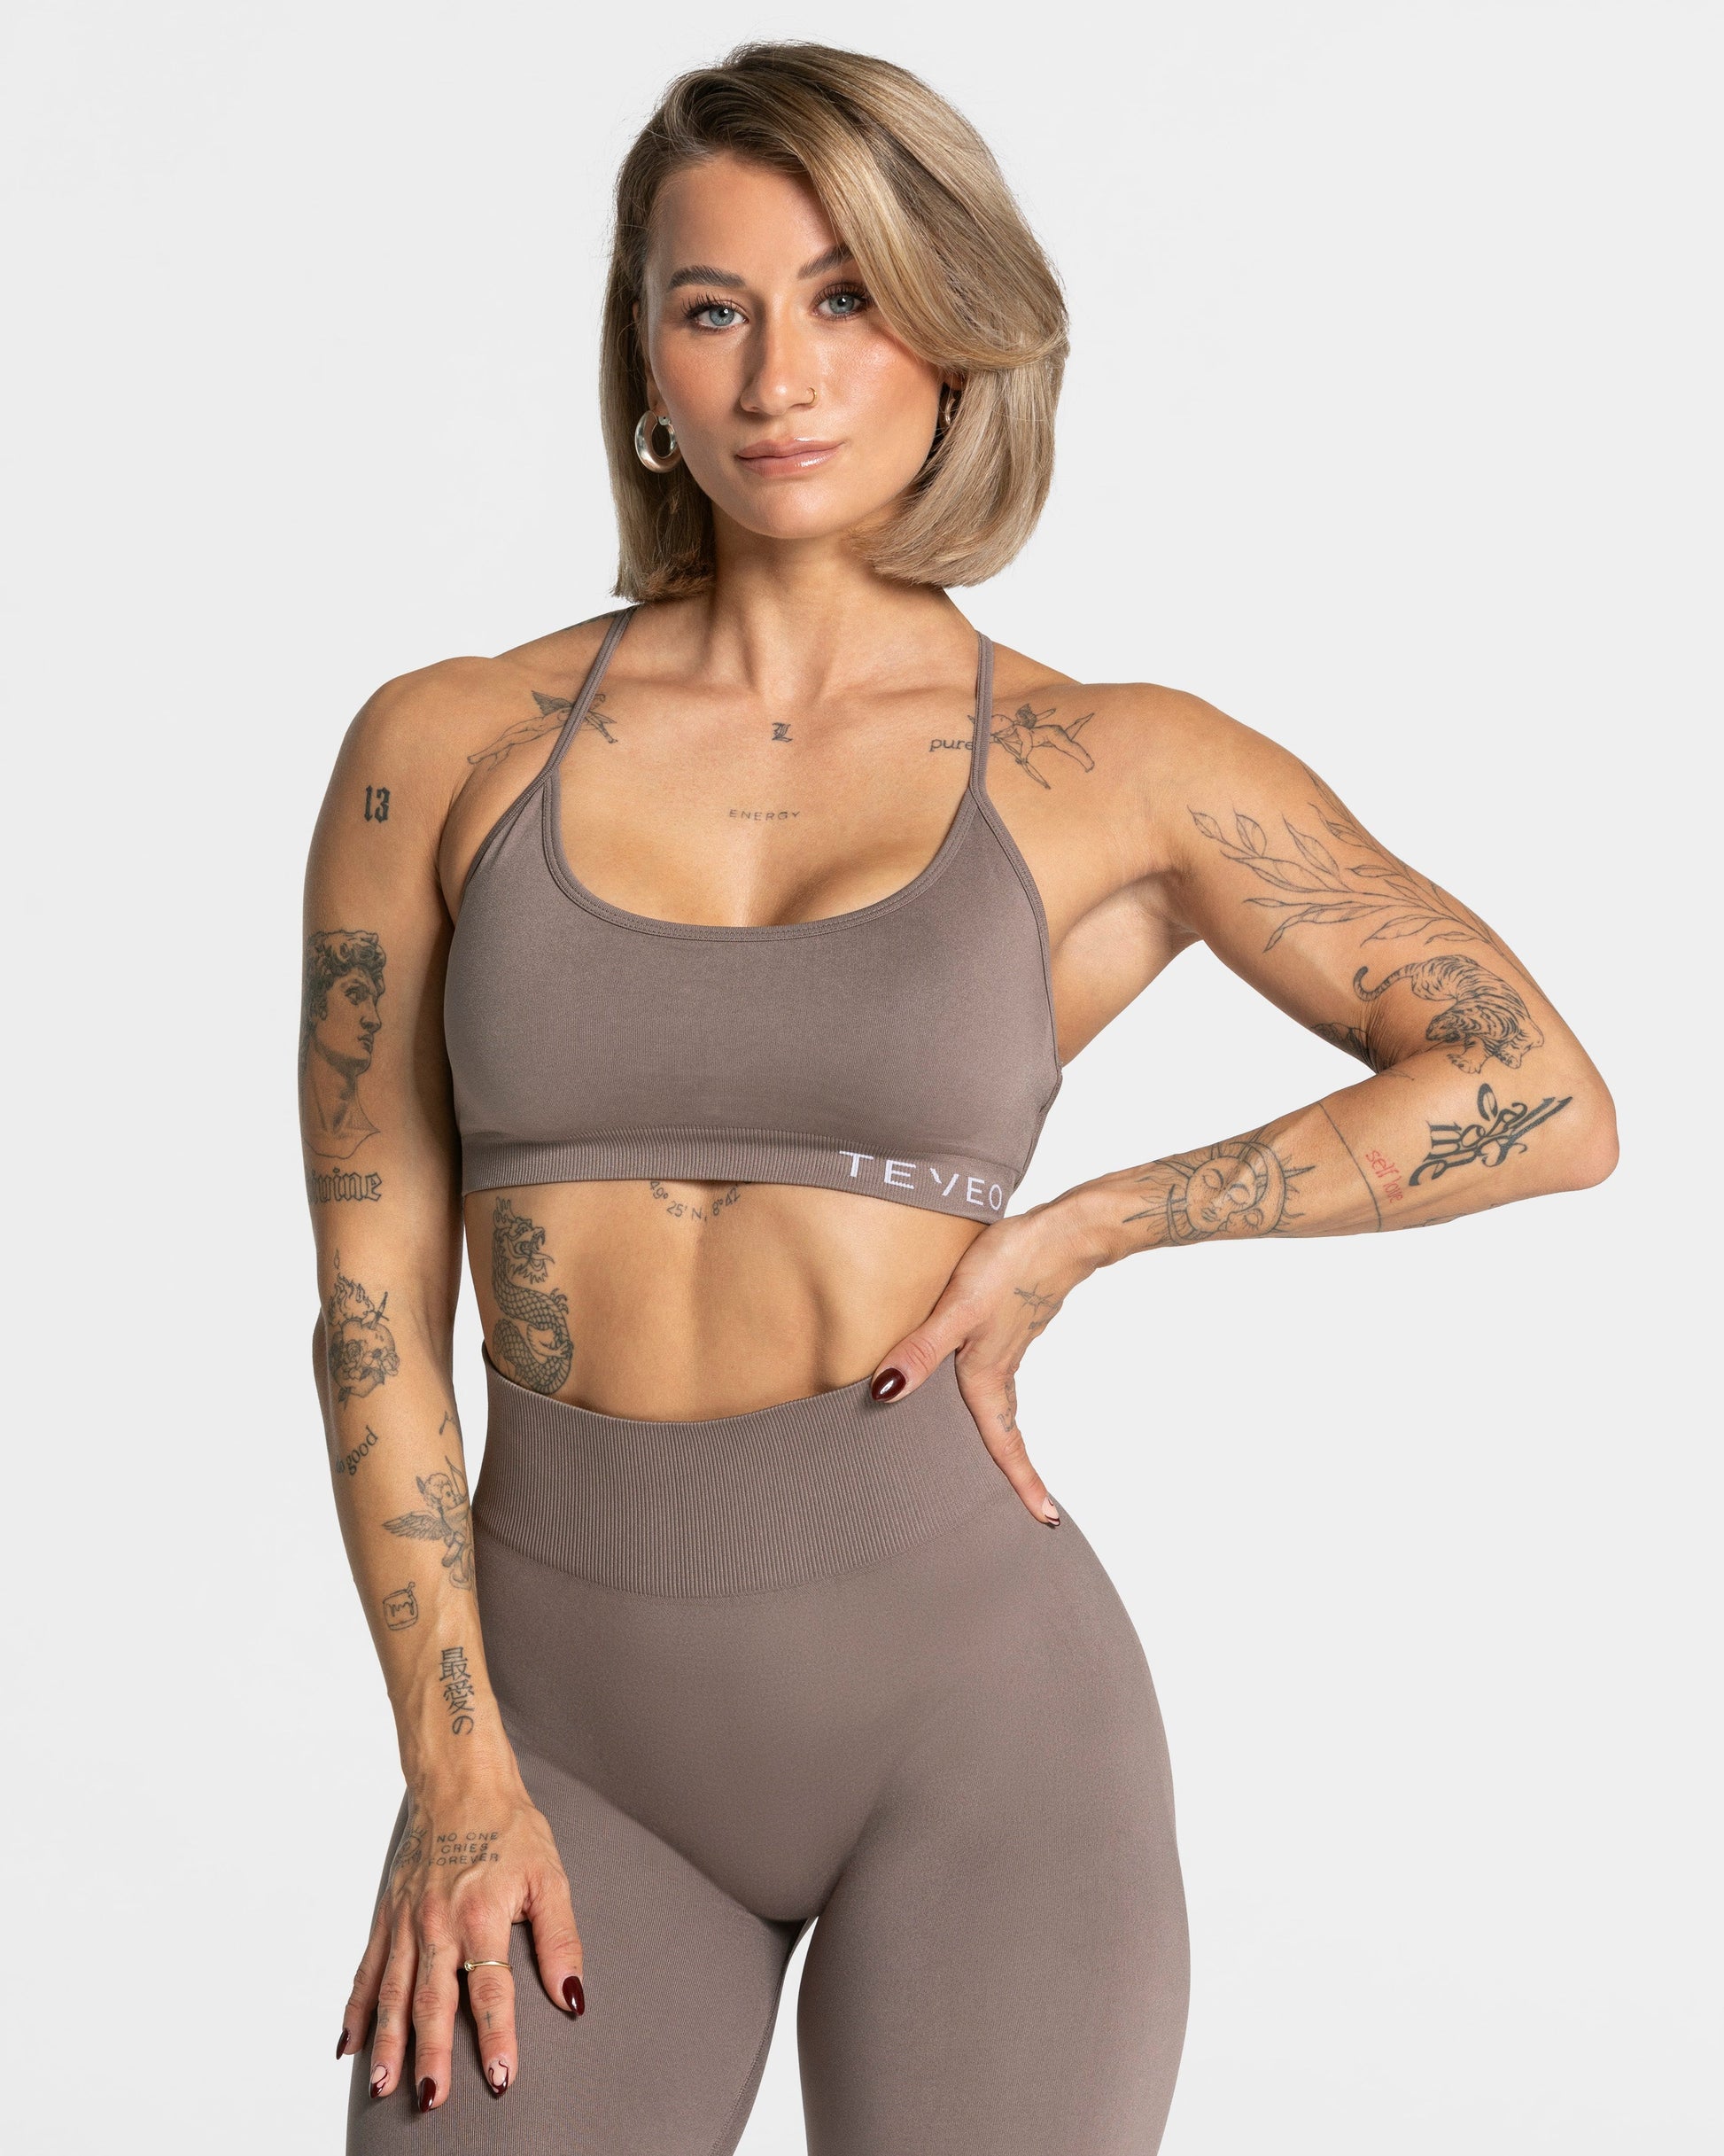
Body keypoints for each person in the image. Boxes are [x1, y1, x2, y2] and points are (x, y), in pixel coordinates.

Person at [304, 41, 1616, 2153]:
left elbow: (1538, 1087)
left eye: (845, 297)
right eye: (712, 306)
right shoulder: (441, 747)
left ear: (953, 330)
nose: (778, 375)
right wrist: (455, 1769)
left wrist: (1087, 1227)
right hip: (558, 1743)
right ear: (642, 361)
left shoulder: (1110, 764)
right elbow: (372, 1308)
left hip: (980, 1731)